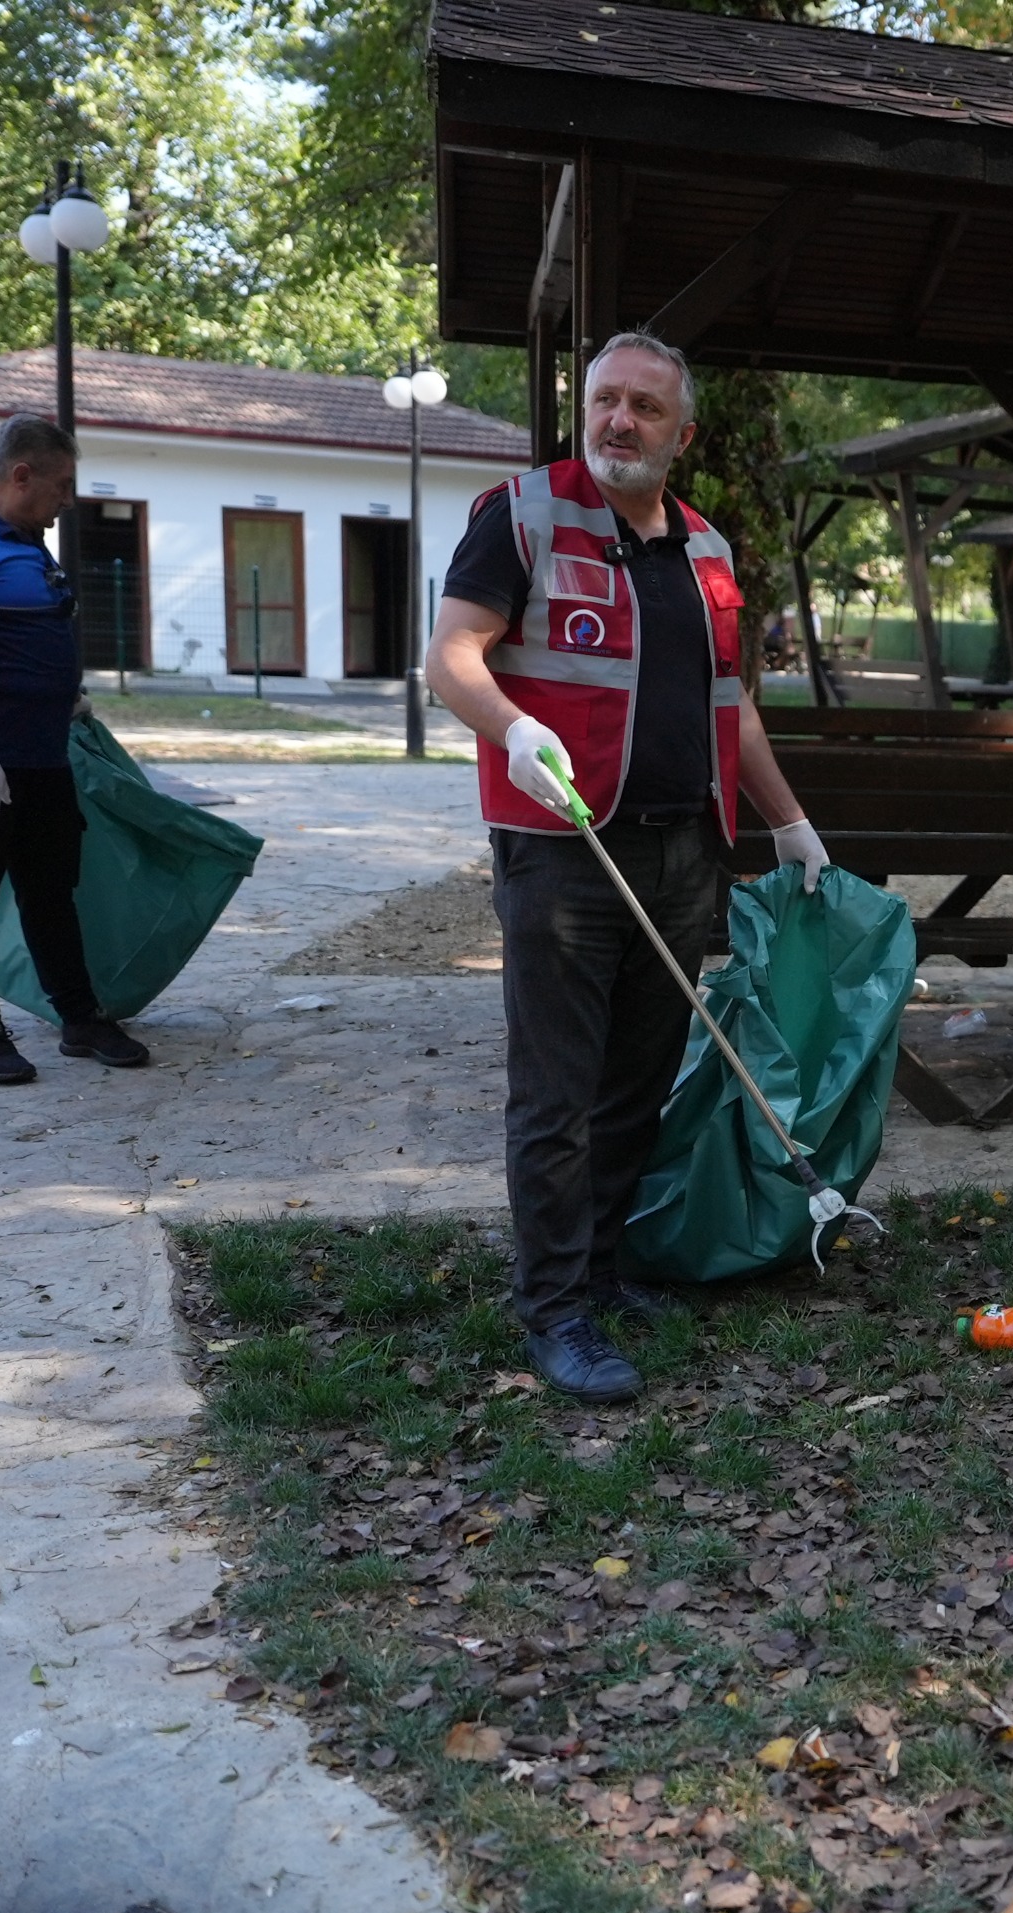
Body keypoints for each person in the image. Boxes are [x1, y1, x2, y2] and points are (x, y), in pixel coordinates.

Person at [427, 331, 828, 1404]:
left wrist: (789, 822)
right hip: (565, 850)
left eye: (646, 407)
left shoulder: (707, 550)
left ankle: (599, 1271)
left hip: (683, 849)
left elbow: (731, 706)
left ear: (680, 435)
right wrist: (513, 728)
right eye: (606, 399)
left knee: (636, 1084)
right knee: (556, 1094)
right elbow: (452, 656)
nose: (620, 420)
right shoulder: (522, 515)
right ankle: (554, 1308)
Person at [0, 414, 149, 1085]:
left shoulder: (28, 542)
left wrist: (65, 695)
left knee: (51, 889)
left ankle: (80, 1017)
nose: (69, 500)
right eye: (62, 485)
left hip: (42, 752)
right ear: (21, 475)